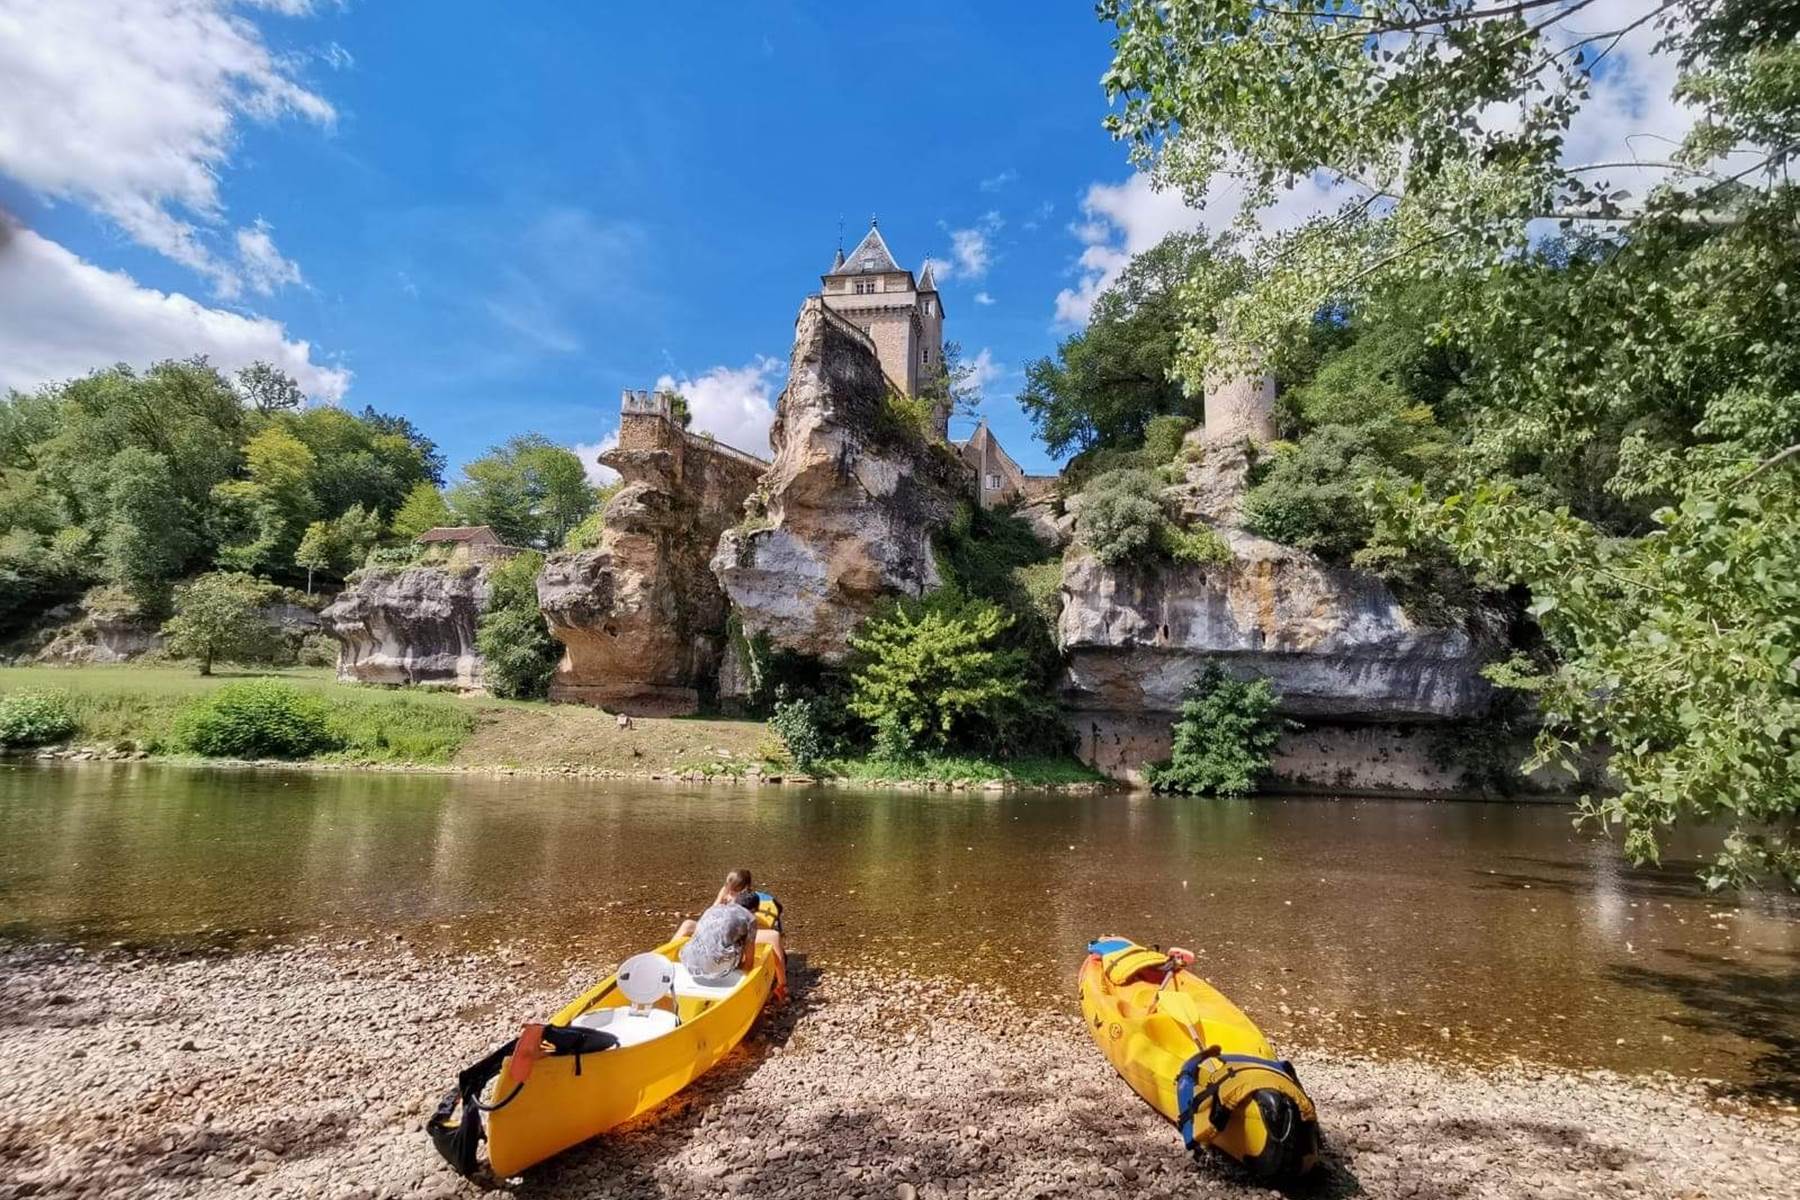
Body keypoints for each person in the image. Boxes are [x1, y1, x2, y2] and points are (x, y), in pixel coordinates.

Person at [676, 871, 788, 1003]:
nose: (730, 895)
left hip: (688, 958)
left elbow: (707, 917)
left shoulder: (719, 902)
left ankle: (669, 960)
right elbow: (749, 957)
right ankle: (783, 985)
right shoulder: (748, 915)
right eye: (729, 890)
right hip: (719, 959)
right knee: (773, 936)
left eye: (733, 891)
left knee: (691, 926)